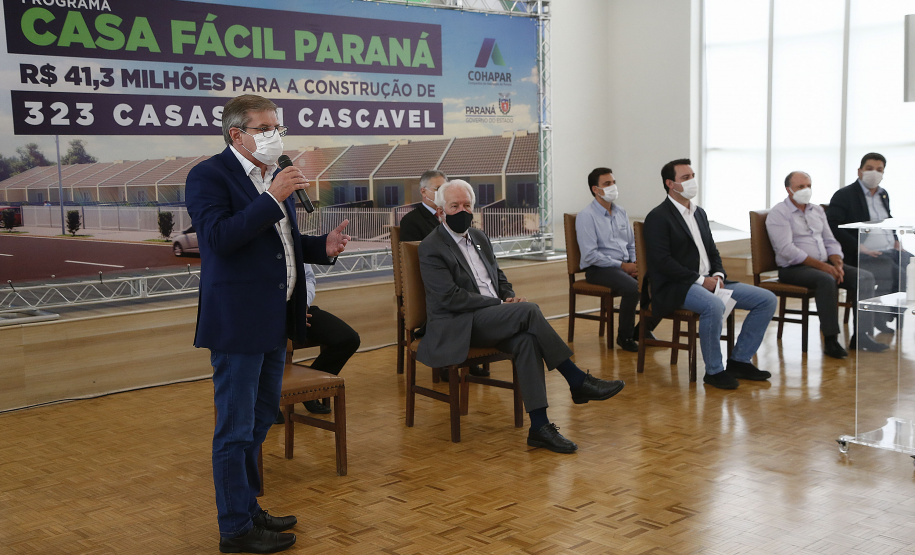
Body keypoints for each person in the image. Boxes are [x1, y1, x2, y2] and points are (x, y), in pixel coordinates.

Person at [186, 94, 350, 554]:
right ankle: (234, 529)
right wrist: (271, 197)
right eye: (264, 127)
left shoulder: (273, 177)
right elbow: (218, 240)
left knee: (258, 422)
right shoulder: (209, 175)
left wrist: (323, 248)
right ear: (237, 134)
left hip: (276, 320)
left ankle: (248, 506)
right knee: (234, 428)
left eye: (276, 125)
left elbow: (284, 243)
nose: (275, 134)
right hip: (238, 324)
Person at [417, 179, 625, 454]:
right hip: (459, 324)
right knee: (529, 311)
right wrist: (500, 303)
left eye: (467, 205)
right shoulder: (432, 246)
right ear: (442, 211)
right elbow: (449, 298)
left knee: (527, 339)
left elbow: (498, 278)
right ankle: (576, 380)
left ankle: (539, 426)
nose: (462, 211)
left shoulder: (479, 237)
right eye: (454, 206)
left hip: (492, 315)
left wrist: (508, 296)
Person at [643, 159, 777, 390]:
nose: (692, 181)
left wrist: (718, 274)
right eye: (685, 178)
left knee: (766, 299)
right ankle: (714, 371)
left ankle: (739, 360)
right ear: (670, 184)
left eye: (692, 175)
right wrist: (700, 280)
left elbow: (712, 251)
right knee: (713, 305)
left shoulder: (699, 213)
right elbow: (662, 262)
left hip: (710, 281)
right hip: (676, 286)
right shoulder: (658, 216)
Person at [766, 171, 885, 358]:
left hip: (824, 264)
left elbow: (830, 240)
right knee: (826, 280)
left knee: (864, 277)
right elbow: (786, 249)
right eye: (800, 187)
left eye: (808, 186)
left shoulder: (817, 210)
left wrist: (837, 261)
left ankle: (861, 336)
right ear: (788, 190)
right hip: (793, 269)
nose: (806, 190)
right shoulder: (779, 213)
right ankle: (830, 340)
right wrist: (824, 267)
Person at [827, 152, 911, 333]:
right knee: (898, 274)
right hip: (860, 254)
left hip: (888, 250)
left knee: (912, 268)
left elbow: (888, 220)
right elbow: (832, 227)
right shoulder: (845, 195)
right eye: (870, 169)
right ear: (860, 171)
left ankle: (884, 315)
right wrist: (859, 247)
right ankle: (880, 318)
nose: (874, 173)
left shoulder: (883, 195)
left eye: (879, 170)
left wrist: (897, 241)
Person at [575, 167, 649, 352]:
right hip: (599, 269)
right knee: (633, 288)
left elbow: (631, 243)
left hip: (624, 265)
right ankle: (624, 338)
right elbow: (590, 255)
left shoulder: (621, 212)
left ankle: (642, 330)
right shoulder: (586, 216)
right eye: (607, 184)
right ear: (595, 189)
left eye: (613, 182)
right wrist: (623, 266)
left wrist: (635, 264)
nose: (612, 187)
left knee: (654, 281)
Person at [275, 263, 361, 421]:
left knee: (348, 339)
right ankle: (269, 400)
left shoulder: (293, 239)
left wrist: (302, 306)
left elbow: (308, 278)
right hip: (267, 313)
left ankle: (308, 390)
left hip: (299, 308)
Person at [399, 169, 446, 242]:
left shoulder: (451, 215)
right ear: (423, 192)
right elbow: (411, 251)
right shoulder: (411, 220)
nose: (442, 193)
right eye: (438, 189)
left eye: (444, 189)